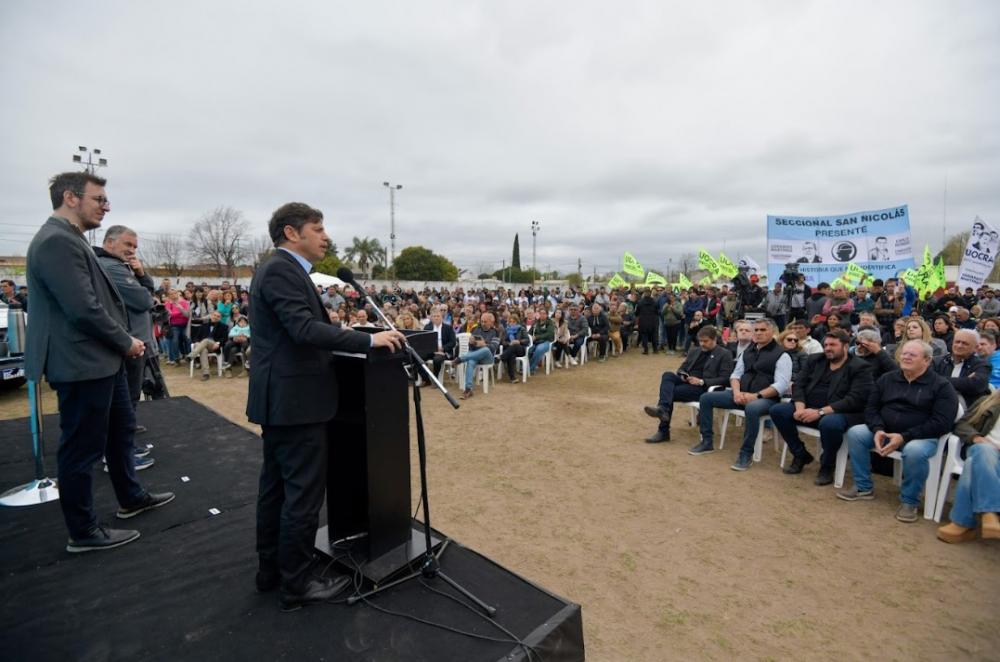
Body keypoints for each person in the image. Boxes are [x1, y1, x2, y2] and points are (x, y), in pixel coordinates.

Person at [247, 202, 404, 611]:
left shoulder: (280, 269)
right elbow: (302, 329)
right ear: (291, 233)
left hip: (284, 400)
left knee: (277, 490)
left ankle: (272, 571)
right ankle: (297, 584)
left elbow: (295, 328)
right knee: (300, 496)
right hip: (296, 403)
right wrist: (368, 340)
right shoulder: (282, 269)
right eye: (317, 228)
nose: (326, 236)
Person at [25, 171, 173, 553]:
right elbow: (83, 309)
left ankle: (130, 497)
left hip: (100, 361)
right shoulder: (56, 242)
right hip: (80, 362)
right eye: (99, 199)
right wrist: (126, 341)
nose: (106, 206)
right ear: (71, 198)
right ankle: (84, 531)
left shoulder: (71, 240)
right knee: (82, 449)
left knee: (120, 432)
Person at [837, 340, 959, 523]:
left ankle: (909, 501)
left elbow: (942, 423)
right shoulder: (887, 379)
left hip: (920, 436)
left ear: (926, 360)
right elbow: (871, 408)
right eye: (904, 353)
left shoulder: (941, 386)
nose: (906, 357)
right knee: (856, 433)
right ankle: (863, 487)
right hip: (884, 431)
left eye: (912, 354)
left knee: (914, 451)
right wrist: (877, 429)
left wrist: (904, 437)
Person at [769, 329, 874, 485]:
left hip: (841, 412)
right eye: (825, 344)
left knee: (829, 423)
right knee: (778, 411)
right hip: (808, 407)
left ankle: (827, 464)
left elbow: (855, 399)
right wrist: (799, 408)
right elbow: (799, 385)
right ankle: (800, 454)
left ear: (845, 346)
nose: (827, 348)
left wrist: (820, 412)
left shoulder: (860, 367)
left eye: (833, 345)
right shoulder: (815, 360)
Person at [690, 318, 792, 471]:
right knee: (706, 398)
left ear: (773, 332)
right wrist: (737, 393)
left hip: (766, 399)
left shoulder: (782, 355)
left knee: (752, 408)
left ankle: (746, 454)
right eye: (756, 330)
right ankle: (707, 441)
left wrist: (755, 396)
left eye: (762, 330)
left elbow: (781, 385)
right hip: (741, 394)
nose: (758, 333)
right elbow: (735, 376)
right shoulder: (748, 352)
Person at [95, 225, 159, 454]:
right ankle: (124, 445)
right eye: (128, 245)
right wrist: (142, 281)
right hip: (128, 341)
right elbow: (145, 301)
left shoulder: (120, 266)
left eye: (135, 246)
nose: (132, 251)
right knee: (126, 396)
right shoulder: (111, 267)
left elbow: (148, 295)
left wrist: (141, 273)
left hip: (134, 340)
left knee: (130, 395)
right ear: (109, 243)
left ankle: (126, 430)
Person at [642, 326, 734, 443]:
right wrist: (682, 374)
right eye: (700, 341)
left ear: (714, 339)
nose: (702, 344)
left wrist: (701, 381)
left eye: (705, 341)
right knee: (667, 375)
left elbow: (725, 378)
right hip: (687, 382)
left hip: (704, 388)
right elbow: (683, 367)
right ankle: (663, 409)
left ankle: (663, 429)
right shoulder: (694, 350)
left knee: (670, 393)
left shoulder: (724, 354)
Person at [936, 392, 1000, 543]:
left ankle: (962, 523)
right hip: (983, 450)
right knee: (982, 451)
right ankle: (989, 513)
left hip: (981, 458)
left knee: (972, 463)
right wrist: (976, 437)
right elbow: (961, 424)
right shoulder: (988, 401)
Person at [932, 329, 991, 407]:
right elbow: (928, 380)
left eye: (965, 343)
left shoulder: (982, 365)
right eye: (957, 342)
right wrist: (965, 380)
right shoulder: (937, 361)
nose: (959, 346)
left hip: (968, 411)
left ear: (975, 347)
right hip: (937, 405)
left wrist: (938, 379)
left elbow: (976, 385)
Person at [457, 311, 501, 398]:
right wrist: (471, 342)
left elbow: (494, 347)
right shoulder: (476, 329)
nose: (483, 323)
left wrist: (484, 344)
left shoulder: (495, 332)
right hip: (475, 355)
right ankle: (468, 389)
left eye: (485, 321)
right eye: (482, 321)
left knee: (485, 349)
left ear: (491, 322)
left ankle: (461, 358)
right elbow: (471, 347)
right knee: (470, 361)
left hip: (487, 357)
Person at [188, 311, 230, 380]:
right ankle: (206, 374)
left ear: (220, 318)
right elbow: (196, 337)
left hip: (213, 345)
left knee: (206, 340)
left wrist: (218, 343)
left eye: (218, 316)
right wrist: (197, 343)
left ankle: (192, 355)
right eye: (214, 315)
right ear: (211, 316)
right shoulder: (204, 325)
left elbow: (224, 339)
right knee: (203, 350)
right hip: (201, 346)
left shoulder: (224, 327)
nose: (215, 317)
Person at [424, 309, 457, 379]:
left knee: (437, 360)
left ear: (442, 317)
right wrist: (433, 349)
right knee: (417, 357)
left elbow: (453, 342)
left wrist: (442, 348)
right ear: (431, 318)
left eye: (438, 316)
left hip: (444, 352)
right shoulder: (427, 328)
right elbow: (424, 341)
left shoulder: (448, 328)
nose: (436, 318)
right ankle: (426, 378)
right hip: (431, 351)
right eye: (434, 316)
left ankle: (435, 378)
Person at [500, 312, 529, 383]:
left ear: (517, 322)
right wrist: (509, 343)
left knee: (515, 345)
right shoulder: (506, 330)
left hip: (520, 349)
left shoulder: (521, 329)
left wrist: (519, 341)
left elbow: (527, 340)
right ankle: (512, 378)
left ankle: (502, 357)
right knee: (511, 355)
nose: (512, 323)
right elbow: (502, 342)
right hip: (510, 350)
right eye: (510, 322)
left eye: (514, 321)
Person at [528, 306, 555, 374]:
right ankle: (526, 367)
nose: (542, 315)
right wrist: (530, 337)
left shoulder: (550, 322)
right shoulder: (536, 322)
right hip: (535, 342)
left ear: (547, 314)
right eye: (541, 313)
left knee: (539, 350)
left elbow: (549, 334)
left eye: (544, 313)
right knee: (528, 349)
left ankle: (530, 368)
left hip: (546, 341)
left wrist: (537, 337)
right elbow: (530, 332)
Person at [636, 289, 660, 354]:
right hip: (653, 321)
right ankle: (655, 349)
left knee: (644, 335)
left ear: (644, 293)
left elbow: (637, 312)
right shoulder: (654, 301)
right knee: (654, 335)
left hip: (643, 321)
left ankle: (646, 350)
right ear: (650, 293)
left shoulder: (640, 302)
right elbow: (657, 311)